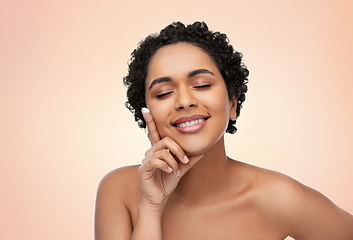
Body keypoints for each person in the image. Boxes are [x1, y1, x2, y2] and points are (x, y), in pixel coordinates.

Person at [94, 21, 353, 240]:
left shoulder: (279, 198)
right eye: (164, 92)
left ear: (232, 103)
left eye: (202, 85)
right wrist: (151, 206)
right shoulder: (119, 191)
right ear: (147, 112)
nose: (184, 101)